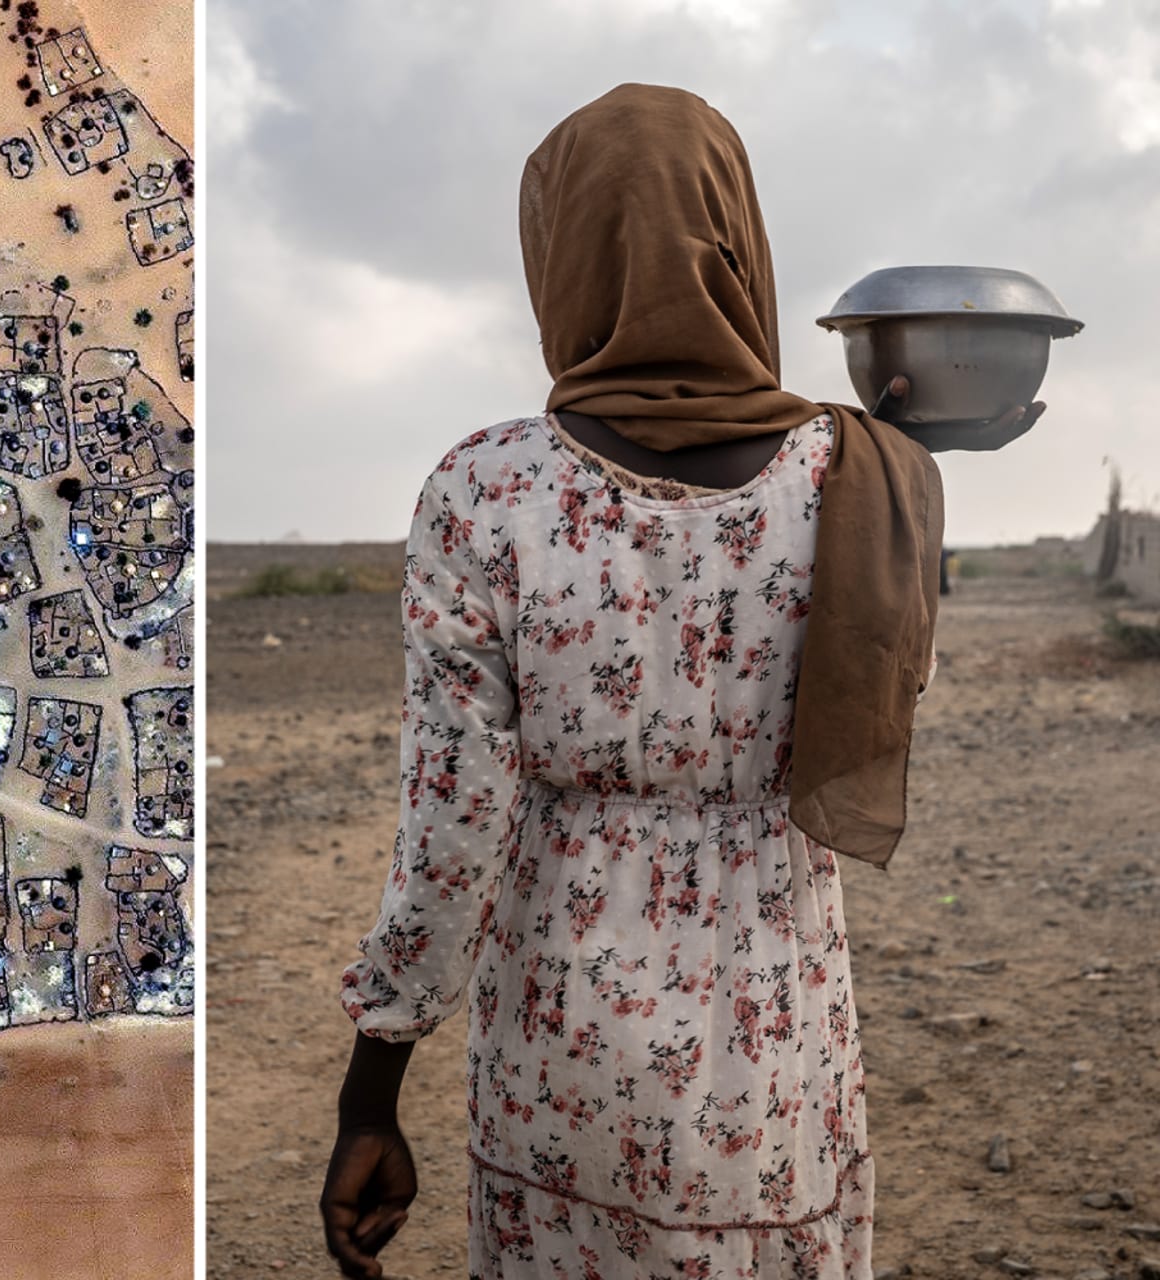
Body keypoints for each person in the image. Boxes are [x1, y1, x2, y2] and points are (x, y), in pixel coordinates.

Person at [319, 84, 1043, 1279]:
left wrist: (370, 1089)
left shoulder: (486, 490)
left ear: (555, 255)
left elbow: (453, 824)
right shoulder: (863, 476)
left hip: (565, 1025)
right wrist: (920, 455)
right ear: (739, 246)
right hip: (775, 1021)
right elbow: (884, 670)